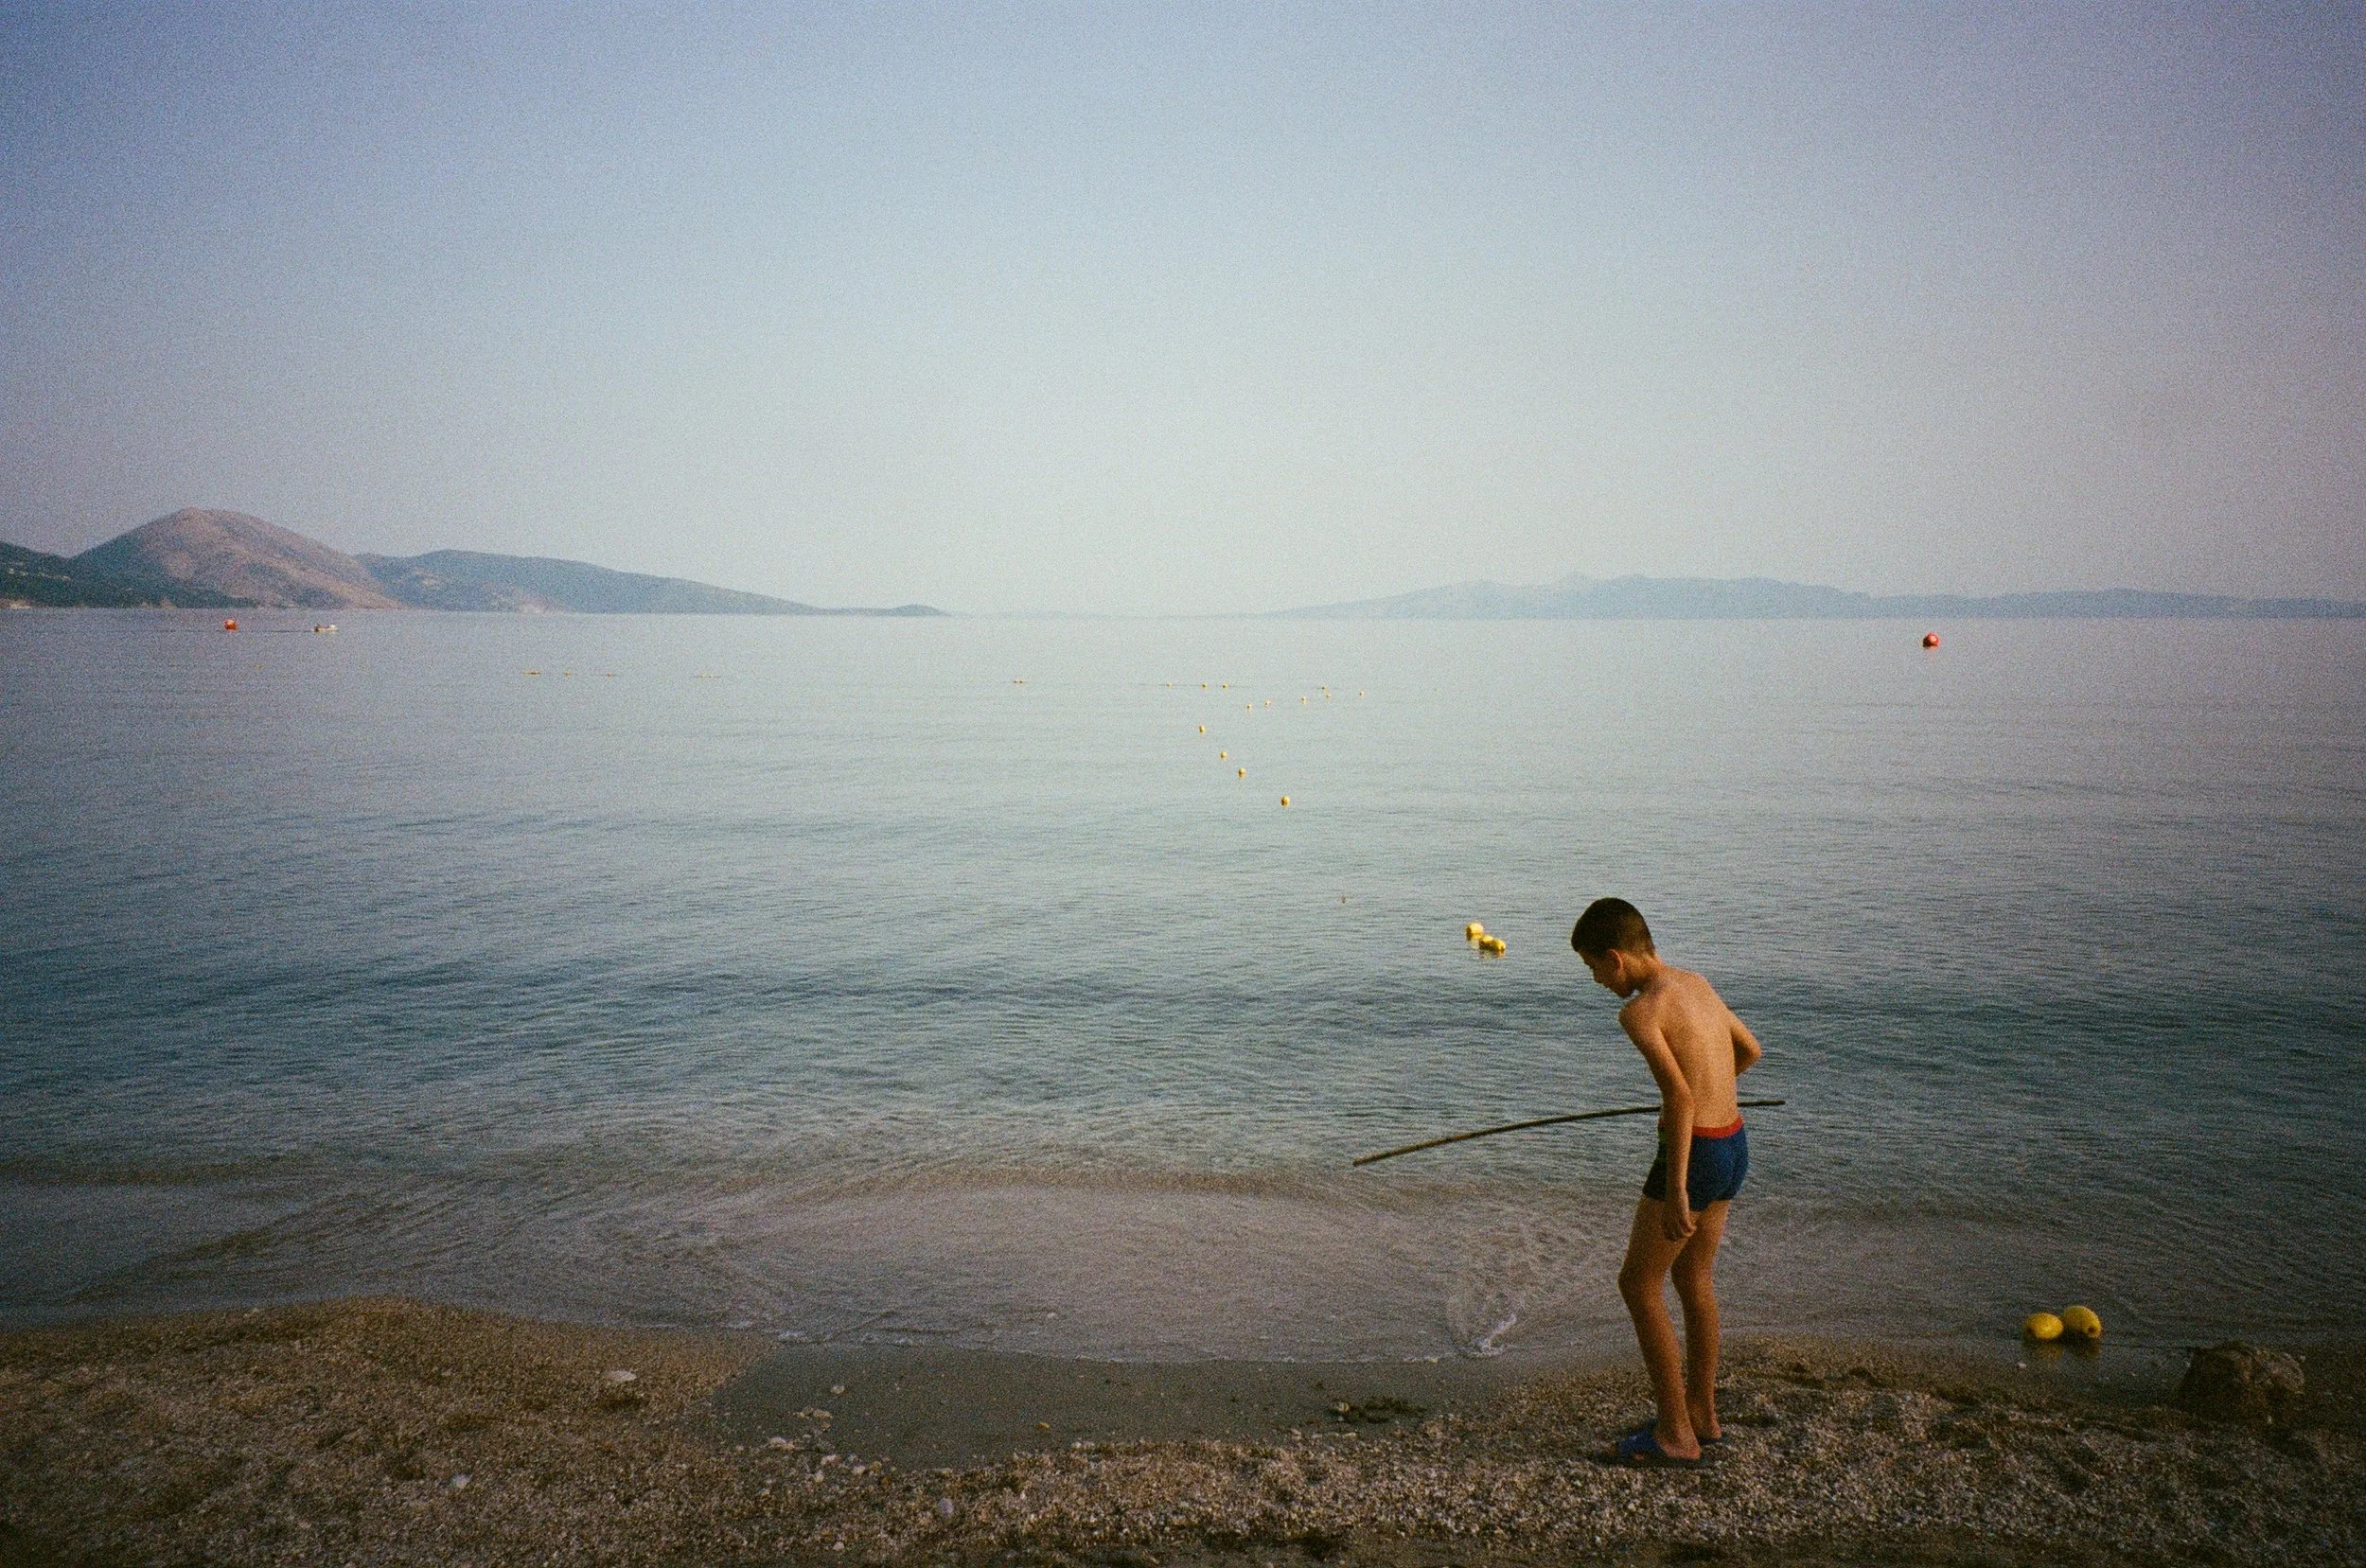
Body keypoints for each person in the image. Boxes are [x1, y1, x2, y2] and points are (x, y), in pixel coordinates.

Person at [1570, 897, 1763, 1466]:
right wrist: (1712, 1093)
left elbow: (1678, 1098)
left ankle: (1674, 1434)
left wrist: (1677, 1186)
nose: (1597, 981)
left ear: (1615, 959)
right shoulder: (1696, 983)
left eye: (1592, 969)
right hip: (1733, 1143)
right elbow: (1748, 1051)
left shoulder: (1640, 1012)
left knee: (1637, 1285)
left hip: (1697, 1154)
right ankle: (1703, 1415)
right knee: (1695, 1277)